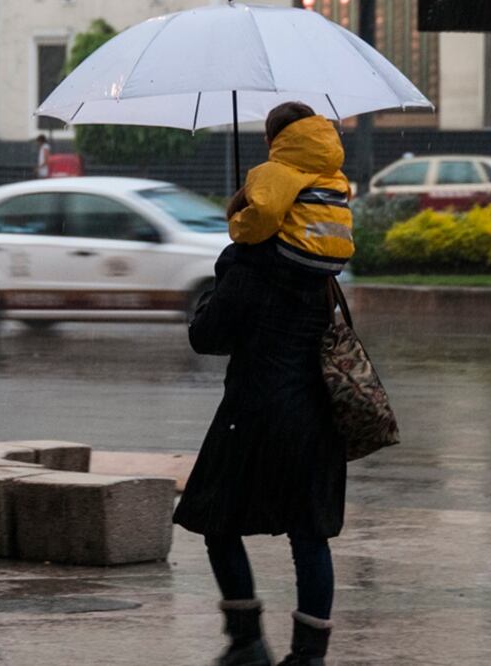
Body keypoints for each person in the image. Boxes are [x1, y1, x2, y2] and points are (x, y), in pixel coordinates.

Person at [173, 101, 353, 666]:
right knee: (309, 536)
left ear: (274, 149)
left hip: (252, 414)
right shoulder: (323, 259)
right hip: (316, 415)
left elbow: (207, 336)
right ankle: (309, 656)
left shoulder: (252, 259)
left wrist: (221, 276)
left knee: (216, 519)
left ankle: (247, 641)